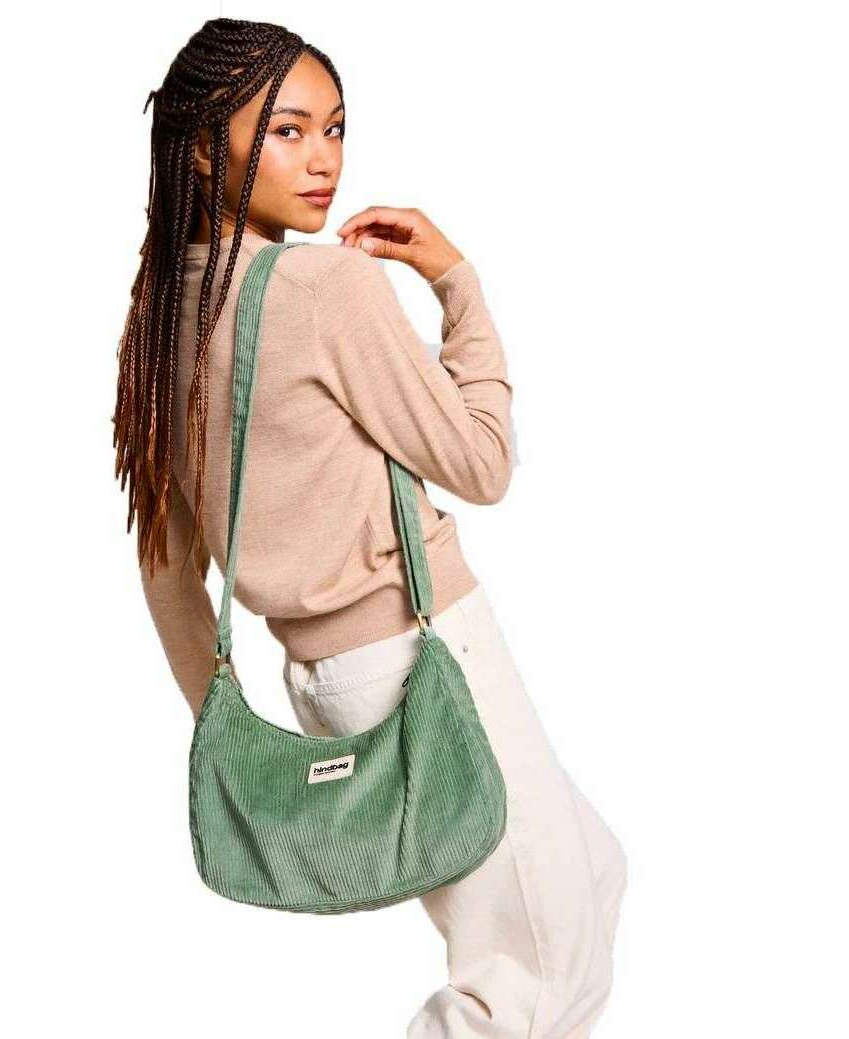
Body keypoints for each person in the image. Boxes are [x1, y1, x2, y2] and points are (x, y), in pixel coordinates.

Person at [113, 17, 627, 1039]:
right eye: (287, 131)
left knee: (590, 872)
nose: (324, 160)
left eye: (335, 128)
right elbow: (480, 463)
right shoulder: (326, 284)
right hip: (419, 653)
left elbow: (167, 566)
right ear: (205, 145)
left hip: (328, 681)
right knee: (529, 967)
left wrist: (224, 720)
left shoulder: (165, 312)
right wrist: (455, 281)